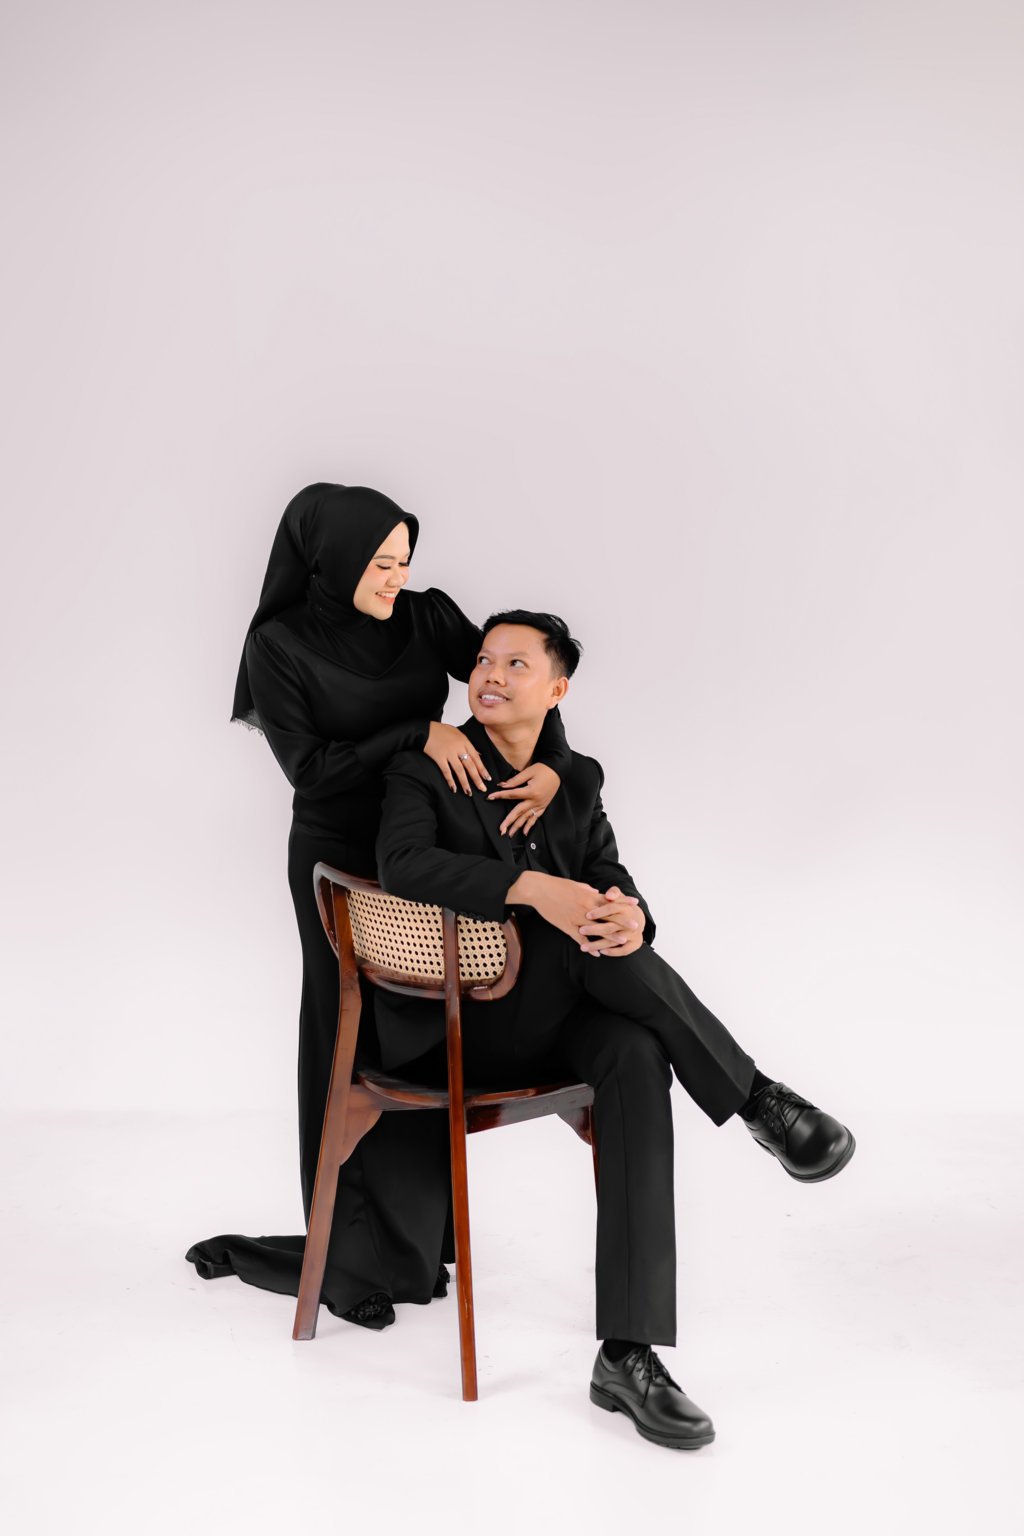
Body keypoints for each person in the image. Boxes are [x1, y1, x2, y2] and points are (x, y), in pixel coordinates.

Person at [375, 609, 855, 1450]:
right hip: (466, 1021)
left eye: (515, 664)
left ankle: (627, 1356)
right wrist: (535, 891)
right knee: (580, 944)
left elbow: (611, 877)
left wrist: (631, 917)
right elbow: (403, 865)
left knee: (635, 1050)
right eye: (483, 660)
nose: (489, 675)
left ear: (556, 689)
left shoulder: (573, 784)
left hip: (567, 1017)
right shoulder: (428, 768)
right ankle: (756, 1100)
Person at [186, 486, 570, 1325]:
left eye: (404, 560)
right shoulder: (278, 645)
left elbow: (514, 686)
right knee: (350, 1033)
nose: (397, 577)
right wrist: (414, 734)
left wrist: (560, 765)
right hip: (336, 861)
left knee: (424, 1028)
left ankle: (412, 1245)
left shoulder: (427, 617)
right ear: (332, 562)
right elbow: (310, 772)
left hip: (429, 849)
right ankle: (351, 1257)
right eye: (380, 563)